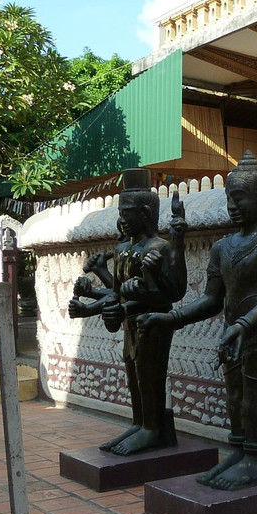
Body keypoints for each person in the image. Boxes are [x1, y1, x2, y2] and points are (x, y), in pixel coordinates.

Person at [139, 152, 257, 490]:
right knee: (236, 400)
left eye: (239, 198)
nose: (231, 205)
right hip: (234, 334)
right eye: (229, 197)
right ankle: (241, 451)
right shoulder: (222, 247)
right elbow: (212, 300)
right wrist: (169, 318)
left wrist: (242, 326)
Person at [69, 169, 187, 455]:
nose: (121, 219)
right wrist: (88, 306)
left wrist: (178, 243)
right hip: (130, 324)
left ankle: (153, 429)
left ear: (146, 213)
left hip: (153, 323)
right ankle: (140, 423)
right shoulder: (123, 249)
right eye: (120, 213)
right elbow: (117, 293)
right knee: (133, 375)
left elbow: (173, 293)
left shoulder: (160, 247)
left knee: (150, 375)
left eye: (127, 213)